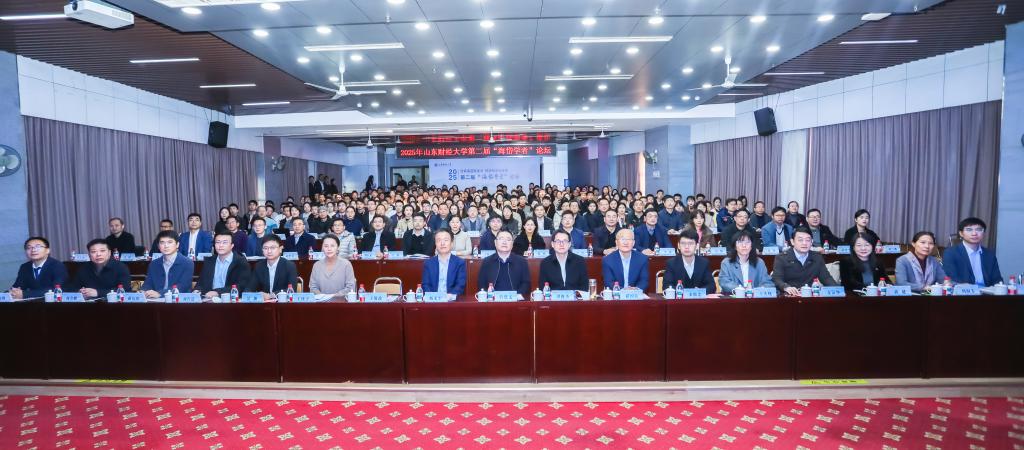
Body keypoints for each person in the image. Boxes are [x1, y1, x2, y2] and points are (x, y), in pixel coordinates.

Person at [771, 227, 839, 296]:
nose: (804, 243)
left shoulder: (817, 257)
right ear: (792, 242)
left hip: (809, 296)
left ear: (812, 242)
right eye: (800, 240)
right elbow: (777, 279)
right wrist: (786, 287)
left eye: (808, 240)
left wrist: (838, 291)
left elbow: (826, 278)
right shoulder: (781, 258)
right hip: (788, 296)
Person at [942, 217, 1003, 287]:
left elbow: (997, 280)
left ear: (983, 233)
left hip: (988, 291)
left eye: (978, 230)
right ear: (961, 233)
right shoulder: (951, 253)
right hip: (964, 291)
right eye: (969, 230)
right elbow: (952, 280)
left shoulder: (989, 254)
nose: (974, 233)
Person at [196, 231, 252, 299]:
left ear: (232, 245)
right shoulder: (209, 261)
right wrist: (197, 290)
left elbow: (241, 286)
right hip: (209, 300)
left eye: (225, 242)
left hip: (230, 300)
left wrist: (217, 292)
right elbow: (200, 283)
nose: (221, 245)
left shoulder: (241, 262)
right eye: (218, 242)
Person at [141, 231, 195, 298]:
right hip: (156, 300)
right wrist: (143, 291)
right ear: (158, 246)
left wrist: (160, 294)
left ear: (177, 245)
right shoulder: (154, 264)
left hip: (178, 300)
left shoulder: (187, 263)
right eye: (162, 242)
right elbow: (148, 283)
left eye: (170, 242)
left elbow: (182, 286)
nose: (166, 246)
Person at [718, 229, 774, 294]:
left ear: (751, 246)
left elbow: (767, 282)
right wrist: (740, 290)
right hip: (734, 297)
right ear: (735, 246)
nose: (744, 245)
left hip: (754, 298)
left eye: (747, 242)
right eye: (740, 242)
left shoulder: (759, 262)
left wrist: (758, 290)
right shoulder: (727, 262)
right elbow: (724, 282)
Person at [477, 230, 531, 295]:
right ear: (495, 243)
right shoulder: (487, 262)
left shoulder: (522, 261)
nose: (504, 242)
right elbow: (481, 284)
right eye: (501, 239)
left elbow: (526, 283)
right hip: (493, 299)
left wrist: (517, 296)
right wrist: (489, 296)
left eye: (508, 239)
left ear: (512, 244)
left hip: (515, 299)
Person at [249, 235, 299, 300]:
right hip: (263, 303)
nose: (269, 251)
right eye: (265, 248)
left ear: (280, 249)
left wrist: (271, 295)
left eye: (272, 248)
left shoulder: (289, 266)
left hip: (282, 302)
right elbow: (251, 287)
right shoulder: (259, 266)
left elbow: (292, 289)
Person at [421, 229, 467, 295]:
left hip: (452, 299)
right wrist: (433, 297)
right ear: (435, 244)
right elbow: (425, 284)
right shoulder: (428, 263)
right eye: (439, 240)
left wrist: (449, 296)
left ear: (452, 243)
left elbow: (460, 285)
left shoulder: (459, 262)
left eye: (446, 240)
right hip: (433, 299)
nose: (442, 243)